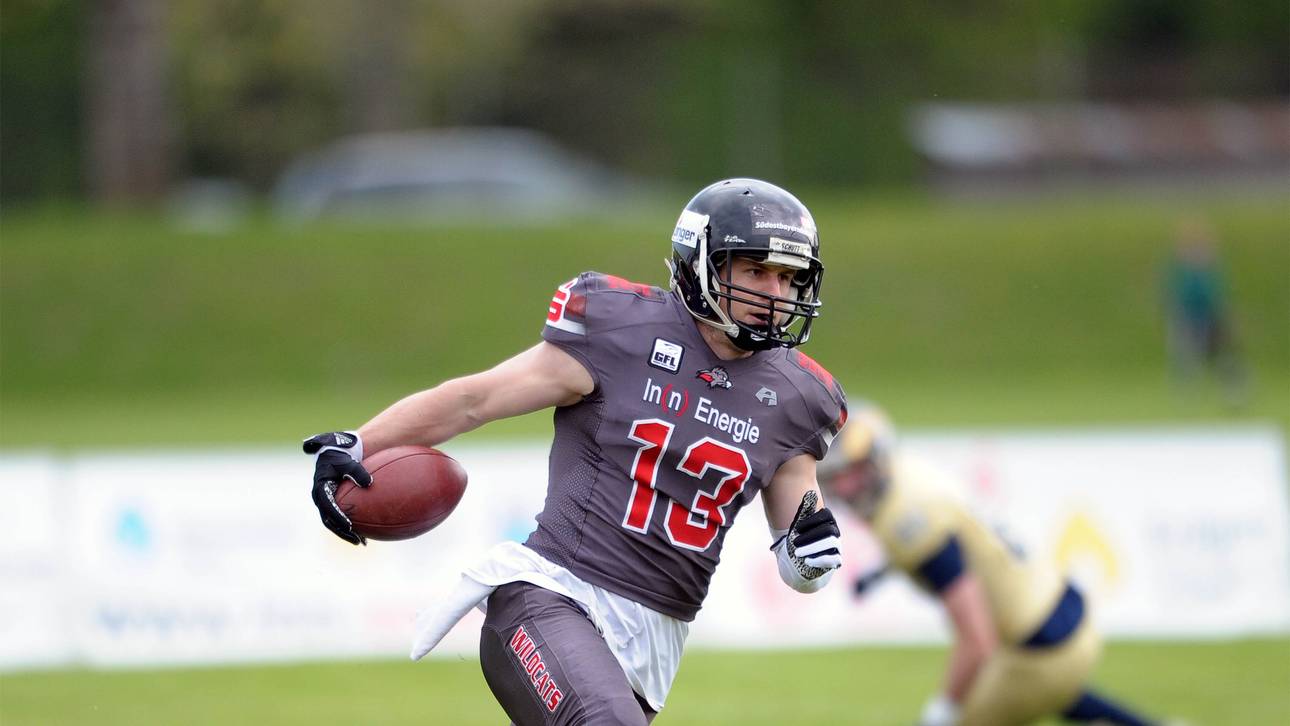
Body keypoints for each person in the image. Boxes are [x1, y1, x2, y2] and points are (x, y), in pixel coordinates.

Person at [304, 178, 849, 725]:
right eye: (756, 271)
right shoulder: (621, 329)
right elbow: (475, 399)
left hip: (654, 641)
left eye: (788, 277)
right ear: (700, 263)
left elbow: (800, 555)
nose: (775, 294)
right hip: (552, 594)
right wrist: (359, 441)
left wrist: (810, 557)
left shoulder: (798, 397)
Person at [818, 402, 1167, 726]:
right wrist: (880, 574)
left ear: (875, 462)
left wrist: (941, 711)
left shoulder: (906, 520)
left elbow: (977, 640)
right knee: (1038, 692)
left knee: (981, 711)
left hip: (1042, 646)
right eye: (835, 477)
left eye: (850, 473)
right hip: (1062, 607)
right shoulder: (910, 478)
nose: (842, 488)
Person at [1163, 217, 1247, 407]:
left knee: (1222, 357)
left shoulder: (1209, 272)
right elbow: (1175, 296)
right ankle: (1187, 396)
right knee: (1186, 357)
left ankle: (1235, 391)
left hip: (1210, 319)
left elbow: (1218, 298)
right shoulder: (1182, 272)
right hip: (1188, 319)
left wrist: (1226, 317)